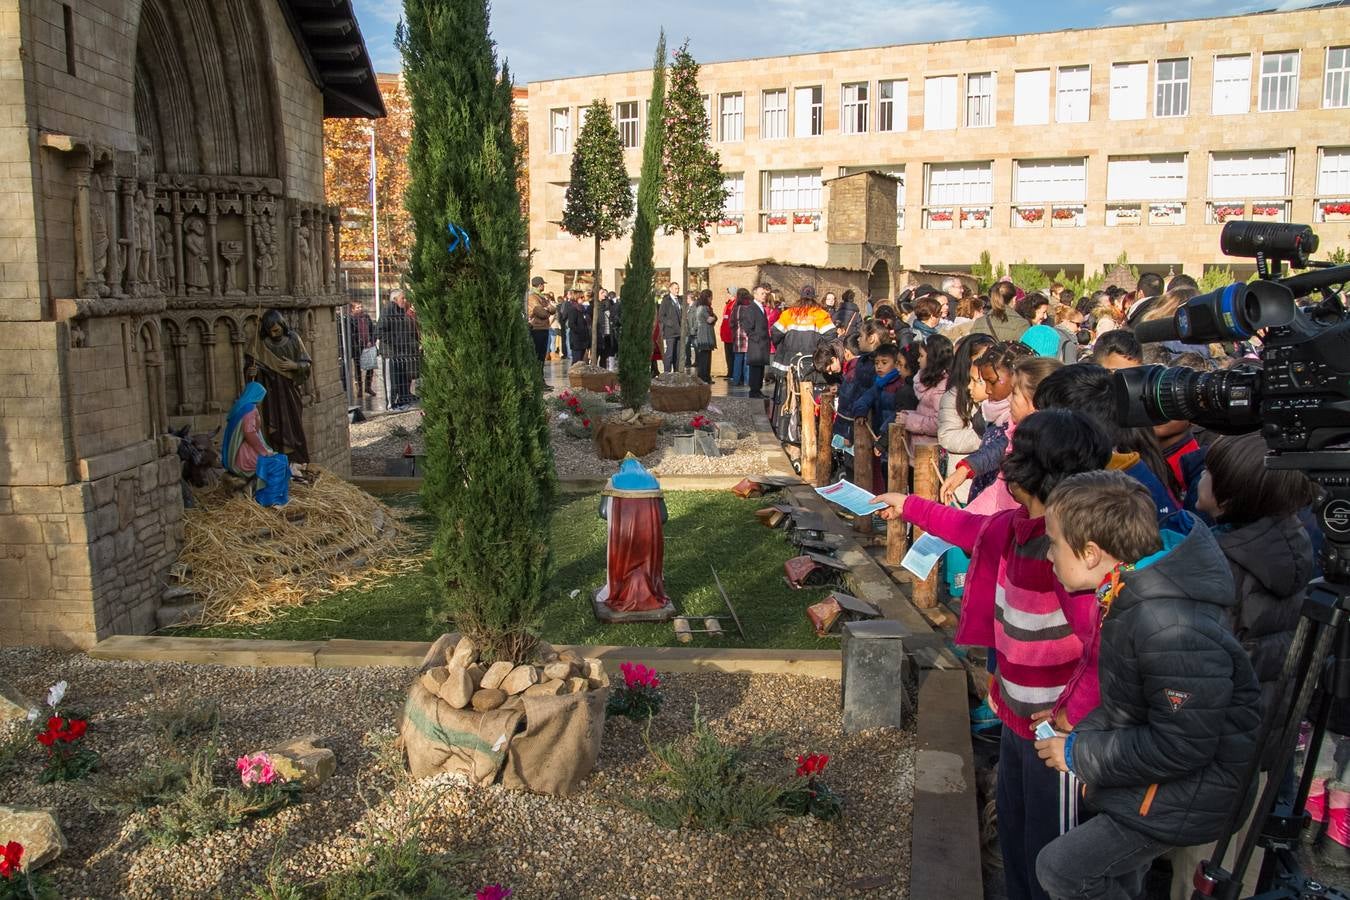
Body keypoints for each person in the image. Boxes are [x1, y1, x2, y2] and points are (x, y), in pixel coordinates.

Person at [875, 410, 1114, 900]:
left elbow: (1103, 648)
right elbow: (964, 527)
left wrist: (1074, 718)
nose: (1004, 462)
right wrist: (909, 505)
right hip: (1016, 718)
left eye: (1013, 454)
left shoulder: (1069, 552)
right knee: (1018, 833)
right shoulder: (1014, 526)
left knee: (1054, 856)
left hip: (1059, 738)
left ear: (1030, 469)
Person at [1033, 470, 1262, 900]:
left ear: (1089, 553)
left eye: (1054, 542)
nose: (1048, 554)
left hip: (1187, 793)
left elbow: (1183, 745)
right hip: (1156, 781)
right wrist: (1081, 734)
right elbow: (1131, 703)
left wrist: (1078, 752)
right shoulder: (1131, 592)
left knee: (1062, 869)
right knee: (1114, 873)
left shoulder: (1166, 623)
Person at [1155, 432, 1318, 898]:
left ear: (1228, 496)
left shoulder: (1222, 565)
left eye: (1208, 473)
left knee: (1202, 873)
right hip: (1261, 743)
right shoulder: (1289, 542)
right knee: (1236, 865)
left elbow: (1199, 668)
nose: (1197, 477)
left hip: (1214, 750)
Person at [1033, 363, 1181, 521]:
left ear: (1073, 426)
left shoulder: (1115, 496)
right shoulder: (1127, 466)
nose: (1038, 426)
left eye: (1045, 419)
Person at [247, 309, 312, 472]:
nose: (274, 333)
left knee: (293, 424)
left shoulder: (294, 339)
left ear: (283, 325)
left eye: (277, 330)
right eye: (270, 331)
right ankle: (280, 461)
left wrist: (295, 366)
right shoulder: (262, 345)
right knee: (273, 424)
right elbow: (253, 366)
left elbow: (307, 363)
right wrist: (252, 372)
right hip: (272, 393)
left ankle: (298, 459)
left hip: (290, 391)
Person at [770, 284, 836, 380]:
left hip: (788, 361)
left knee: (790, 386)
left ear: (800, 297)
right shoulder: (821, 314)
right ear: (814, 298)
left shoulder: (788, 313)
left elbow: (775, 333)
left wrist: (780, 347)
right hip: (812, 361)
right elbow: (831, 336)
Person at [899, 334, 952, 438]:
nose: (918, 360)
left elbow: (939, 423)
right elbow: (926, 412)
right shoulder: (929, 381)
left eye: (921, 356)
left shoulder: (941, 388)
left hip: (931, 447)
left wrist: (909, 420)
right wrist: (908, 415)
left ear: (933, 358)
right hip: (921, 441)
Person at [378, 290, 419, 410]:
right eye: (403, 298)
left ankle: (401, 400)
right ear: (395, 299)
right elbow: (380, 331)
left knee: (399, 379)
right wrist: (395, 342)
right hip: (390, 352)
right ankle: (390, 405)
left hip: (399, 352)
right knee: (390, 380)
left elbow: (403, 333)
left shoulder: (401, 312)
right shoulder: (388, 310)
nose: (405, 301)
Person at [737, 282, 773, 399]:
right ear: (755, 294)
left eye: (764, 293)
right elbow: (747, 326)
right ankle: (754, 391)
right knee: (755, 369)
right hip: (756, 344)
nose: (764, 295)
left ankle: (758, 390)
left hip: (762, 344)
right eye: (761, 293)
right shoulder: (752, 308)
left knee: (760, 368)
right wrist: (756, 338)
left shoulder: (760, 307)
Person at [346, 300, 377, 398]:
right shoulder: (350, 320)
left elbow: (372, 330)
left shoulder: (366, 317)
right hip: (357, 347)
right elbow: (351, 335)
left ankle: (368, 387)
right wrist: (357, 344)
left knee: (370, 367)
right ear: (352, 309)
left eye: (361, 307)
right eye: (357, 307)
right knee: (358, 368)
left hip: (368, 345)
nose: (360, 309)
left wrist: (371, 341)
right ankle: (359, 388)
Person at [526, 276, 555, 371]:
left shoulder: (541, 297)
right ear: (540, 285)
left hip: (544, 328)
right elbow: (541, 313)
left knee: (542, 355)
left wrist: (546, 308)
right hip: (536, 328)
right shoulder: (532, 296)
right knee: (537, 354)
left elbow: (554, 309)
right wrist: (547, 310)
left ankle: (541, 377)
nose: (544, 286)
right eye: (543, 284)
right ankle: (537, 377)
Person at [691, 289, 718, 384]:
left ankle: (706, 377)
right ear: (707, 297)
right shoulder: (703, 308)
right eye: (711, 297)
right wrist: (714, 317)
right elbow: (710, 319)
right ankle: (703, 377)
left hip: (706, 333)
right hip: (704, 334)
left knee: (707, 357)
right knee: (704, 358)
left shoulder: (703, 307)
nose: (712, 299)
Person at [659, 281, 683, 372]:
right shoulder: (666, 301)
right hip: (670, 332)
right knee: (669, 354)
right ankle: (667, 374)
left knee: (677, 354)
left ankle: (676, 373)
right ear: (670, 289)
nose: (677, 290)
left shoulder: (681, 300)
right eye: (675, 289)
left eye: (678, 288)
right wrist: (670, 323)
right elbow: (661, 316)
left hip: (680, 331)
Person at [563, 290, 592, 364]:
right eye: (581, 297)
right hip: (577, 339)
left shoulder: (582, 309)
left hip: (584, 339)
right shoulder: (573, 309)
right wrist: (580, 331)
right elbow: (571, 324)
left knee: (582, 361)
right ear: (577, 298)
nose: (583, 299)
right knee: (576, 361)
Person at [718, 289, 737, 380]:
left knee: (731, 355)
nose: (727, 294)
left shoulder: (735, 304)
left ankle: (732, 373)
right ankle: (729, 372)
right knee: (728, 354)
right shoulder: (729, 303)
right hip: (726, 333)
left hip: (731, 334)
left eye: (729, 293)